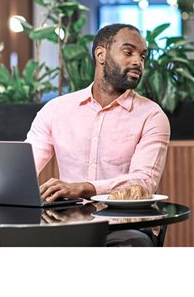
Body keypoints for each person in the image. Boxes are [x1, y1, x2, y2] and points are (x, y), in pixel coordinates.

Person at [25, 23, 170, 246]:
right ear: (101, 55)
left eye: (142, 56)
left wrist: (84, 188)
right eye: (128, 52)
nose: (138, 62)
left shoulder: (151, 115)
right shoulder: (56, 110)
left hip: (125, 225)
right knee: (18, 242)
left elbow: (144, 182)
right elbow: (25, 167)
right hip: (67, 223)